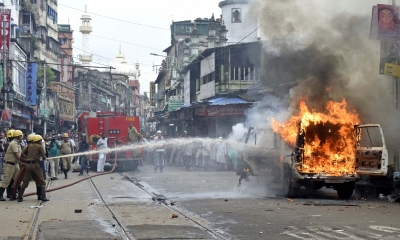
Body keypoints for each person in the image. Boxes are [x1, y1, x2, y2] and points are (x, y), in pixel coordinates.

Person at [18, 135, 49, 202]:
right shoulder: (40, 147)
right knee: (41, 181)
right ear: (38, 141)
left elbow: (22, 153)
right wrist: (44, 158)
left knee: (25, 182)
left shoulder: (29, 146)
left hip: (28, 165)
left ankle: (20, 197)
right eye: (40, 140)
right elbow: (44, 156)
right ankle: (43, 197)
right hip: (35, 165)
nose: (41, 141)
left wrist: (28, 158)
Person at [0, 130, 22, 201]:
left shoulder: (18, 143)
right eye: (21, 136)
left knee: (17, 180)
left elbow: (20, 154)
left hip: (15, 164)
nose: (22, 137)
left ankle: (17, 195)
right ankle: (0, 195)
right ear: (18, 136)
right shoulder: (13, 143)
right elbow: (16, 154)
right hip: (9, 164)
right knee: (6, 180)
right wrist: (23, 161)